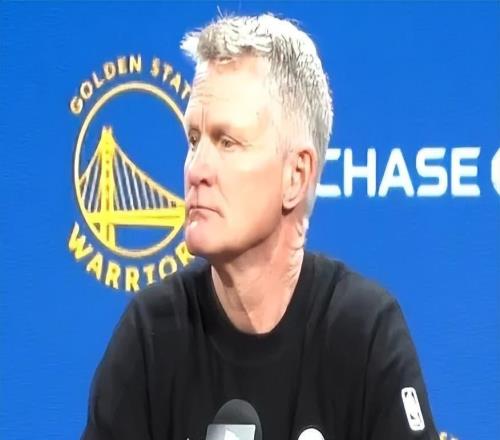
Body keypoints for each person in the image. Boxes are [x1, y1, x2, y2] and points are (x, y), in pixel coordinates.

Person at [82, 13, 439, 440]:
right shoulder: (151, 334)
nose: (196, 169)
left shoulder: (364, 333)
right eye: (194, 140)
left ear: (296, 175)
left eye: (227, 142)